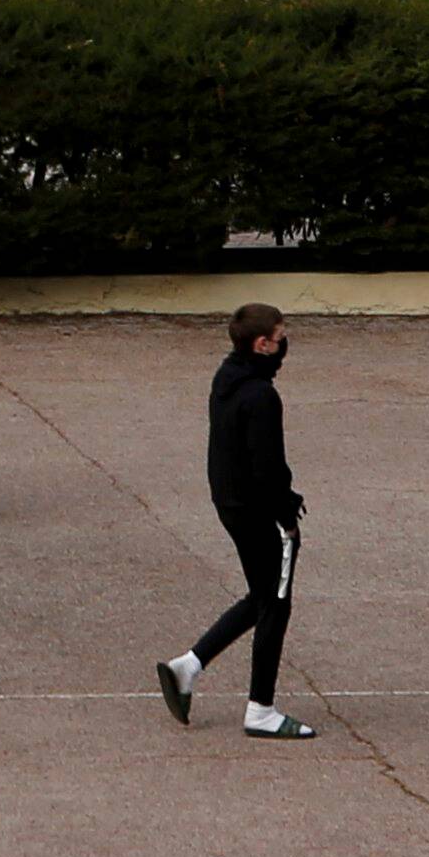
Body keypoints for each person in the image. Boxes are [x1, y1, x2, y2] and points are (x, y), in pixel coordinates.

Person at [156, 302, 316, 739]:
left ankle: (187, 667)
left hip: (230, 504)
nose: (285, 345)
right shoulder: (262, 396)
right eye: (280, 338)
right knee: (276, 604)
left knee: (261, 595)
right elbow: (268, 467)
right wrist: (287, 515)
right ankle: (260, 710)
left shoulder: (226, 378)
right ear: (262, 344)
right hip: (257, 511)